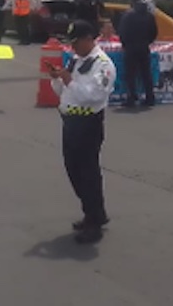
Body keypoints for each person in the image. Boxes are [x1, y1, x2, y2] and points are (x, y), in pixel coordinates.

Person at [48, 20, 116, 245]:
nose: (72, 47)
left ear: (89, 38)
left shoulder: (103, 64)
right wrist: (57, 78)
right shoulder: (76, 60)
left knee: (88, 174)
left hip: (88, 123)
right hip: (70, 122)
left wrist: (69, 81)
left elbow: (93, 95)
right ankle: (93, 211)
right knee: (73, 170)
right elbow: (62, 90)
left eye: (76, 42)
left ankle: (94, 222)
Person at [117, 0, 158, 108]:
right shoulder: (149, 16)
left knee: (130, 74)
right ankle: (150, 97)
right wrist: (147, 42)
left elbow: (122, 32)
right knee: (146, 73)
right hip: (144, 47)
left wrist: (125, 44)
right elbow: (154, 32)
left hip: (131, 48)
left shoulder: (128, 16)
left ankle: (132, 97)